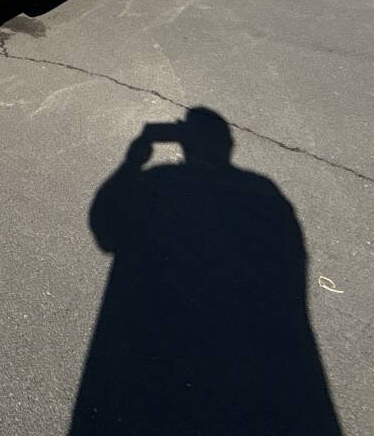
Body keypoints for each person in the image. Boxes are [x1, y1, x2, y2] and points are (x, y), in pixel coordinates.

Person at [69, 107, 341, 435]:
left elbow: (104, 228)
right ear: (226, 145)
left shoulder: (160, 181)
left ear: (184, 141)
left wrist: (133, 161)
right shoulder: (263, 193)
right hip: (252, 364)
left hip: (159, 356)